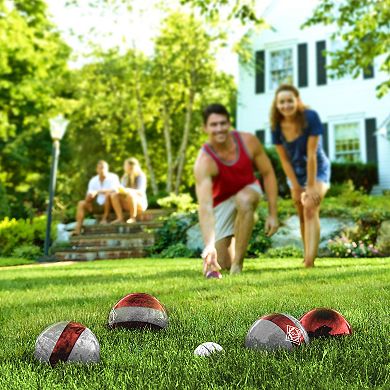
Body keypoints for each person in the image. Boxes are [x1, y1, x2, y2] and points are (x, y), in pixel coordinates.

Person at [194, 103, 279, 276]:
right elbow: (205, 206)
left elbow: (268, 173)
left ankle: (237, 266)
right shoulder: (204, 162)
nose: (219, 129)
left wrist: (272, 214)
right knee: (222, 263)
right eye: (214, 125)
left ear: (229, 123)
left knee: (245, 200)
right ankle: (231, 258)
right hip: (221, 200)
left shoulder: (248, 141)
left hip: (248, 189)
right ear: (205, 128)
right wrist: (209, 245)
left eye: (223, 123)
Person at [270, 84, 331, 268]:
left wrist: (311, 186)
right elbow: (285, 161)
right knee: (302, 215)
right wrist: (296, 186)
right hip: (294, 173)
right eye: (282, 102)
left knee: (310, 207)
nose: (286, 105)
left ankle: (309, 263)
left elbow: (311, 154)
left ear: (297, 100)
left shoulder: (310, 117)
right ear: (277, 104)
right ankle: (307, 256)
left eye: (289, 100)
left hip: (317, 169)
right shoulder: (276, 127)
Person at [73, 160, 120, 235]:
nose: (102, 170)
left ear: (107, 169)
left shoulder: (113, 177)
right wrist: (89, 198)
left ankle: (104, 218)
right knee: (81, 203)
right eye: (100, 168)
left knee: (108, 195)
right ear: (97, 169)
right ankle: (77, 228)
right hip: (96, 204)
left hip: (110, 204)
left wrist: (98, 192)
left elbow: (116, 190)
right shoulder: (93, 180)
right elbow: (88, 194)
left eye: (103, 168)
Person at [110, 157, 148, 224]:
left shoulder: (140, 176)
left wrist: (127, 190)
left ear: (131, 166)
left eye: (125, 165)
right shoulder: (125, 177)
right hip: (127, 202)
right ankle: (120, 218)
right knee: (114, 195)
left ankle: (133, 218)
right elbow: (121, 188)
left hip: (140, 204)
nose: (124, 167)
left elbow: (141, 191)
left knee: (130, 194)